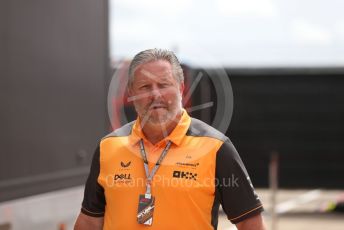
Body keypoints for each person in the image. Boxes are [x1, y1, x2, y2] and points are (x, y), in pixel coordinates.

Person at [74, 49, 265, 230]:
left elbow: (251, 225)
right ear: (131, 93)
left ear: (181, 89)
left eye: (163, 85)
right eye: (145, 86)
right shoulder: (108, 147)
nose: (155, 94)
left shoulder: (216, 148)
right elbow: (89, 223)